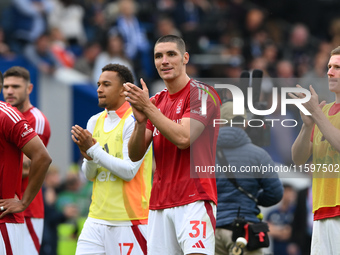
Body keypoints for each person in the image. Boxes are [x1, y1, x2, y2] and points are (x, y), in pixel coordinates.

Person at [124, 35, 220, 255]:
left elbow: (184, 138)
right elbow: (135, 154)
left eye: (171, 54)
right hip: (160, 201)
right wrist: (140, 123)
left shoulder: (202, 94)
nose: (164, 61)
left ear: (185, 58)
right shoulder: (156, 101)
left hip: (195, 197)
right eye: (158, 56)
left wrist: (148, 110)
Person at [71, 63, 152, 255]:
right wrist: (89, 157)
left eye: (106, 84)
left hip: (130, 221)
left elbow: (129, 171)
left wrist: (93, 149)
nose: (99, 89)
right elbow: (89, 176)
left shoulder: (136, 121)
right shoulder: (94, 120)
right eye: (98, 84)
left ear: (124, 89)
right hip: (96, 219)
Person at [214, 101, 283, 255]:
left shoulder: (204, 154)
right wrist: (254, 198)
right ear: (245, 124)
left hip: (211, 232)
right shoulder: (259, 155)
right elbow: (276, 193)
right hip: (244, 233)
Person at [291, 45, 340, 254]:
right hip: (321, 209)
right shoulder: (325, 111)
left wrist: (316, 115)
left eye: (337, 67)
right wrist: (307, 125)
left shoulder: (321, 113)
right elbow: (298, 158)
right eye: (329, 66)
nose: (329, 72)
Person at [0, 71, 52, 254]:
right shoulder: (8, 115)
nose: (9, 91)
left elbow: (28, 165)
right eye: (6, 86)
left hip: (24, 207)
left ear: (29, 89)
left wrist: (23, 203)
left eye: (15, 86)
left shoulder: (34, 120)